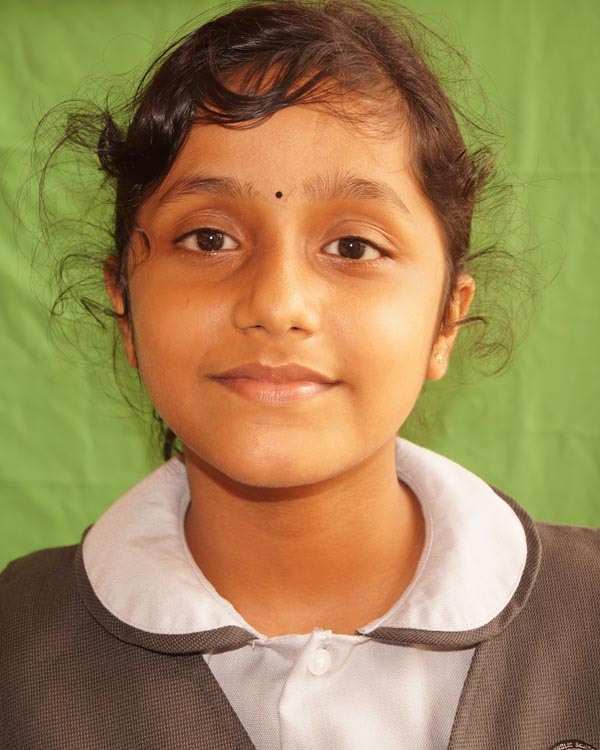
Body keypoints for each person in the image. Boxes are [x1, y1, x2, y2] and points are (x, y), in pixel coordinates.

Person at [1, 0, 599, 748]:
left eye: (353, 247)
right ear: (125, 304)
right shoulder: (16, 647)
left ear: (447, 318)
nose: (278, 304)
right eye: (208, 238)